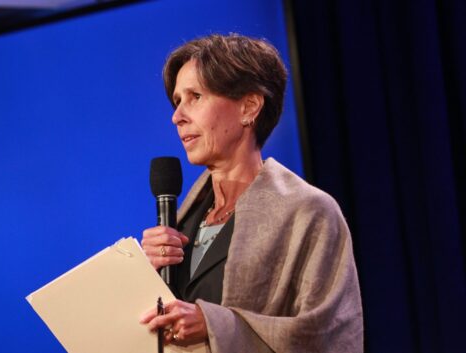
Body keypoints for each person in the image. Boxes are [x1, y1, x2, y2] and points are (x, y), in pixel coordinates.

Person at [139, 34, 363, 352]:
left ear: (249, 106)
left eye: (195, 97)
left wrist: (214, 325)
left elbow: (328, 337)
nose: (177, 116)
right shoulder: (183, 221)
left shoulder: (308, 212)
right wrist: (143, 275)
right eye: (178, 101)